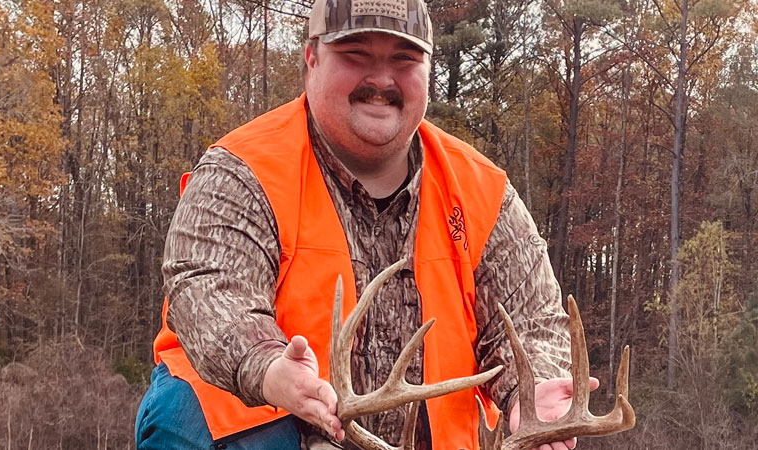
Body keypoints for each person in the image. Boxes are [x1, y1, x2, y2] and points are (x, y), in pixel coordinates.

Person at [135, 0, 591, 449]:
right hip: (271, 425)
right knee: (192, 413)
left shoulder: (481, 191)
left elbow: (532, 322)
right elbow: (209, 290)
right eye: (356, 54)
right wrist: (268, 368)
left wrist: (534, 392)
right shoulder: (244, 170)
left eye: (404, 58)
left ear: (427, 72)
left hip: (424, 440)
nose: (381, 79)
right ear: (311, 59)